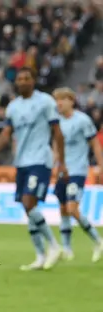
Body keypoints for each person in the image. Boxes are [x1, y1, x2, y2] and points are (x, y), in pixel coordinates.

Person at [0, 68, 67, 271]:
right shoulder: (13, 107)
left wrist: (62, 161)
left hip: (40, 160)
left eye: (27, 78)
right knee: (27, 207)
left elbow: (57, 132)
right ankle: (40, 256)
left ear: (33, 81)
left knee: (28, 201)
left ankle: (54, 246)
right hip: (21, 161)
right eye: (20, 79)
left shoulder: (46, 102)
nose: (23, 82)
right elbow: (7, 132)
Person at [52, 87, 103, 262]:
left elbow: (95, 144)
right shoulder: (57, 121)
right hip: (62, 171)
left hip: (78, 170)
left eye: (62, 99)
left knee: (72, 209)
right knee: (63, 209)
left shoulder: (83, 120)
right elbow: (56, 145)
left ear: (71, 101)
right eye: (56, 100)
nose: (58, 103)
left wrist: (101, 166)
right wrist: (55, 163)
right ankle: (67, 249)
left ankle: (98, 241)